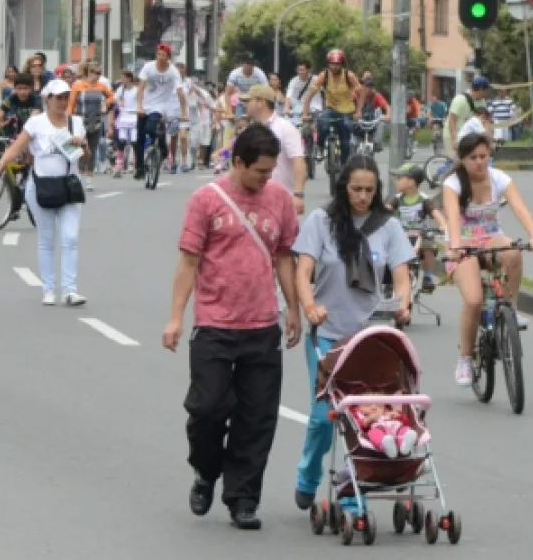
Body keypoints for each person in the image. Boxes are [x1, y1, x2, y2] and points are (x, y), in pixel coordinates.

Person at [163, 123, 300, 531]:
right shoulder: (206, 200)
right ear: (238, 162)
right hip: (215, 326)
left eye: (271, 170)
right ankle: (206, 470)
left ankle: (243, 498)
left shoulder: (279, 200)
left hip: (262, 325)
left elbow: (284, 258)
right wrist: (175, 318)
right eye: (260, 171)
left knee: (257, 418)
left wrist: (293, 307)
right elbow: (188, 262)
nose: (266, 178)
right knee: (206, 410)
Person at [292, 154, 414, 511]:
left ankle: (351, 489)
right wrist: (309, 306)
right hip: (329, 333)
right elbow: (303, 272)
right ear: (343, 188)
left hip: (371, 336)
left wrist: (403, 302)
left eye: (370, 190)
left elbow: (402, 274)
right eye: (356, 189)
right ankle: (308, 473)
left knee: (366, 416)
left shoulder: (387, 226)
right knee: (323, 419)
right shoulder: (321, 222)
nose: (362, 196)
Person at [443, 133, 533, 386]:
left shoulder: (499, 179)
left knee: (513, 251)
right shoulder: (453, 183)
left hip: (489, 238)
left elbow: (520, 208)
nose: (479, 162)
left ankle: (511, 306)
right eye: (473, 158)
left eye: (483, 156)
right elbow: (453, 217)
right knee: (474, 300)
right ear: (463, 159)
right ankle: (465, 358)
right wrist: (455, 245)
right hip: (463, 243)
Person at [0, 79, 88, 306]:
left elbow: (86, 158)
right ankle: (48, 289)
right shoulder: (37, 122)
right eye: (58, 98)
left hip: (68, 187)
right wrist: (2, 161)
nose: (62, 102)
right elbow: (19, 145)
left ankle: (70, 290)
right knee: (46, 240)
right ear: (47, 99)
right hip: (41, 188)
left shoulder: (75, 122)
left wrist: (81, 144)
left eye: (66, 97)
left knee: (70, 238)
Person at [242, 83, 306, 214]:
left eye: (249, 100)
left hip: (281, 201)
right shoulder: (250, 130)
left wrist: (298, 194)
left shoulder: (285, 128)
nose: (245, 104)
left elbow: (298, 161)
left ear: (261, 102)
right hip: (254, 199)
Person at [387, 162, 447, 292]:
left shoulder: (424, 199)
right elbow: (385, 211)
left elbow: (435, 213)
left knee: (429, 247)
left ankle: (428, 277)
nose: (396, 182)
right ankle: (387, 279)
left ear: (411, 182)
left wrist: (443, 225)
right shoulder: (397, 199)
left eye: (399, 178)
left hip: (421, 235)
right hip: (402, 235)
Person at [301, 49, 362, 166]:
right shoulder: (324, 76)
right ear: (328, 64)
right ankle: (320, 147)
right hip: (331, 109)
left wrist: (358, 111)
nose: (334, 67)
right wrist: (305, 113)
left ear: (342, 64)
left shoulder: (349, 76)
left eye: (337, 65)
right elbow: (309, 95)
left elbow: (361, 92)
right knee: (322, 123)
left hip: (347, 111)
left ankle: (344, 164)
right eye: (332, 64)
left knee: (345, 140)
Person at [135, 43, 186, 179]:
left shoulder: (173, 71)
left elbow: (180, 92)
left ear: (168, 57)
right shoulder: (148, 67)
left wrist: (183, 113)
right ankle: (139, 167)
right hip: (146, 103)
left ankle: (163, 148)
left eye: (163, 55)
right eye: (158, 54)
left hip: (162, 105)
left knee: (150, 128)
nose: (160, 57)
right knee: (139, 138)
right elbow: (140, 87)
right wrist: (139, 106)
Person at [68, 62, 116, 189]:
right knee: (78, 148)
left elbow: (112, 96)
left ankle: (89, 178)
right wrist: (68, 119)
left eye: (99, 73)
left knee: (93, 149)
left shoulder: (101, 87)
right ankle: (76, 174)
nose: (96, 76)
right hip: (80, 120)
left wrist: (107, 102)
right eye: (94, 72)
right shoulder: (78, 86)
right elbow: (71, 104)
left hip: (96, 121)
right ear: (87, 73)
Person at [349, 395, 418, 459]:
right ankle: (386, 444)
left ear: (384, 406)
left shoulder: (388, 412)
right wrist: (367, 420)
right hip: (377, 430)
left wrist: (399, 416)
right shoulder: (359, 415)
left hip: (395, 428)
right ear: (358, 407)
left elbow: (406, 423)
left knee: (403, 429)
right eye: (367, 405)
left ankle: (405, 442)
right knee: (374, 433)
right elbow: (354, 425)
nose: (374, 408)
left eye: (379, 405)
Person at [444, 76, 490, 157]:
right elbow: (452, 120)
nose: (487, 93)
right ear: (480, 89)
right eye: (486, 90)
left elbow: (484, 119)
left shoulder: (482, 101)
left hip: (467, 137)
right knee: (455, 159)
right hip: (452, 134)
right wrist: (455, 138)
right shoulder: (460, 100)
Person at [225, 53, 269, 119]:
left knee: (256, 123)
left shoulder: (260, 74)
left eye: (252, 63)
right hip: (241, 101)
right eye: (247, 63)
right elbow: (227, 93)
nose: (250, 66)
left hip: (254, 101)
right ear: (242, 63)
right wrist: (229, 112)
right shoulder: (235, 74)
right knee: (239, 121)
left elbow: (266, 91)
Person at [111, 71, 138, 177]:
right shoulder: (121, 89)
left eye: (124, 78)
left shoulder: (136, 90)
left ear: (129, 78)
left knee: (134, 141)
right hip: (123, 117)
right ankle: (119, 166)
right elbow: (115, 98)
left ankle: (136, 164)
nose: (122, 80)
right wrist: (118, 101)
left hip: (134, 117)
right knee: (121, 141)